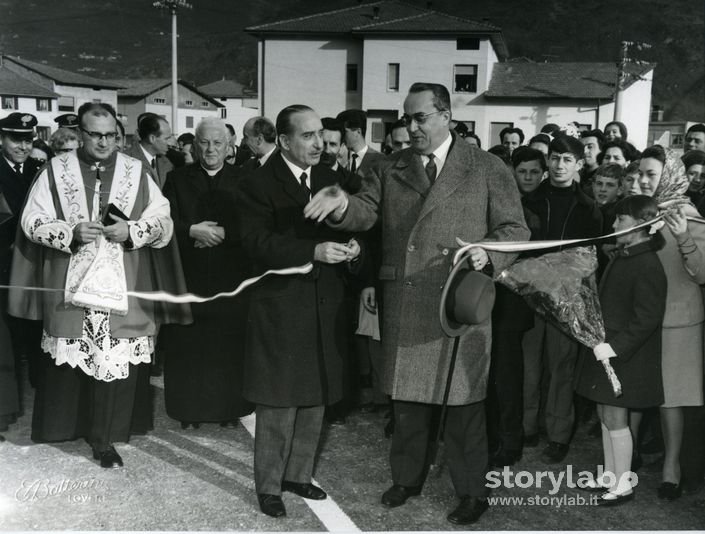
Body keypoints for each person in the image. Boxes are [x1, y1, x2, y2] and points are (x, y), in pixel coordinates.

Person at [305, 82, 529, 525]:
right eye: (406, 118)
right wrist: (340, 204)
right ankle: (406, 479)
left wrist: (490, 253)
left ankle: (472, 491)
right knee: (407, 403)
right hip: (407, 299)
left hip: (459, 302)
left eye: (419, 117)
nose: (410, 126)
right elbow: (365, 211)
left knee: (464, 406)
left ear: (447, 115)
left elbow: (515, 229)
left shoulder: (486, 167)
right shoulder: (391, 168)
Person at [8, 102, 182, 468]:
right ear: (81, 134)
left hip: (120, 283)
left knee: (110, 359)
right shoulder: (56, 169)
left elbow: (163, 220)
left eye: (110, 135)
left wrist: (132, 230)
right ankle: (66, 429)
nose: (103, 142)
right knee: (73, 360)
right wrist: (68, 232)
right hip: (71, 284)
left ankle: (105, 438)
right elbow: (31, 219)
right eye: (94, 134)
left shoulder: (136, 171)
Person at [236, 104, 361, 518]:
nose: (318, 143)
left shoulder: (330, 178)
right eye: (307, 136)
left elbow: (353, 224)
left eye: (320, 134)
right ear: (285, 141)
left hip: (325, 301)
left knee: (316, 392)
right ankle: (269, 485)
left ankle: (299, 474)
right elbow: (255, 244)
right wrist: (313, 250)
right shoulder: (257, 183)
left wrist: (352, 246)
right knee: (278, 398)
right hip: (281, 303)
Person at [575, 195, 667, 506]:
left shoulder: (647, 263)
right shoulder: (625, 255)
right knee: (605, 414)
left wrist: (614, 348)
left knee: (616, 418)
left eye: (621, 220)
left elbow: (647, 318)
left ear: (642, 226)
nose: (614, 225)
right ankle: (610, 476)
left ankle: (623, 484)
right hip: (609, 349)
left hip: (624, 354)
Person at [162, 117, 253, 428]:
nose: (210, 148)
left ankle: (229, 410)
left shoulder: (245, 178)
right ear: (194, 145)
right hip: (190, 275)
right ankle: (189, 411)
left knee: (227, 344)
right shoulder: (177, 179)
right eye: (204, 142)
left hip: (231, 277)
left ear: (229, 147)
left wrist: (225, 234)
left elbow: (256, 224)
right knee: (190, 345)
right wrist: (192, 230)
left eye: (217, 143)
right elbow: (164, 221)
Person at [522, 134, 603, 464]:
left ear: (579, 165)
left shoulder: (589, 208)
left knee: (561, 368)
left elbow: (590, 259)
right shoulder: (529, 201)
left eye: (567, 160)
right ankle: (527, 427)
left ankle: (558, 434)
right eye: (554, 158)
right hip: (528, 294)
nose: (559, 165)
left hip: (566, 298)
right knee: (529, 367)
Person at [634, 145, 705, 501]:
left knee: (672, 400)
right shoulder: (636, 214)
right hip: (641, 319)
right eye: (640, 174)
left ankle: (671, 469)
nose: (642, 180)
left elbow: (703, 272)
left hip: (678, 322)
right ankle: (625, 461)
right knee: (635, 391)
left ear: (671, 176)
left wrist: (682, 237)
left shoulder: (689, 217)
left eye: (651, 174)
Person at [0, 112, 41, 442]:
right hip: (3, 265)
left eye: (28, 139)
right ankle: (6, 409)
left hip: (32, 267)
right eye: (16, 139)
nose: (22, 146)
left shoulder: (38, 172)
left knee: (34, 332)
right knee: (6, 339)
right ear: (2, 139)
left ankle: (38, 402)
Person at [128, 113, 174, 189]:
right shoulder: (126, 161)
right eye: (166, 139)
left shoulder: (167, 163)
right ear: (152, 138)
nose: (170, 143)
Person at [336, 109, 384, 176]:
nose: (341, 136)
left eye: (344, 132)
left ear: (358, 132)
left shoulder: (381, 160)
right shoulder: (339, 159)